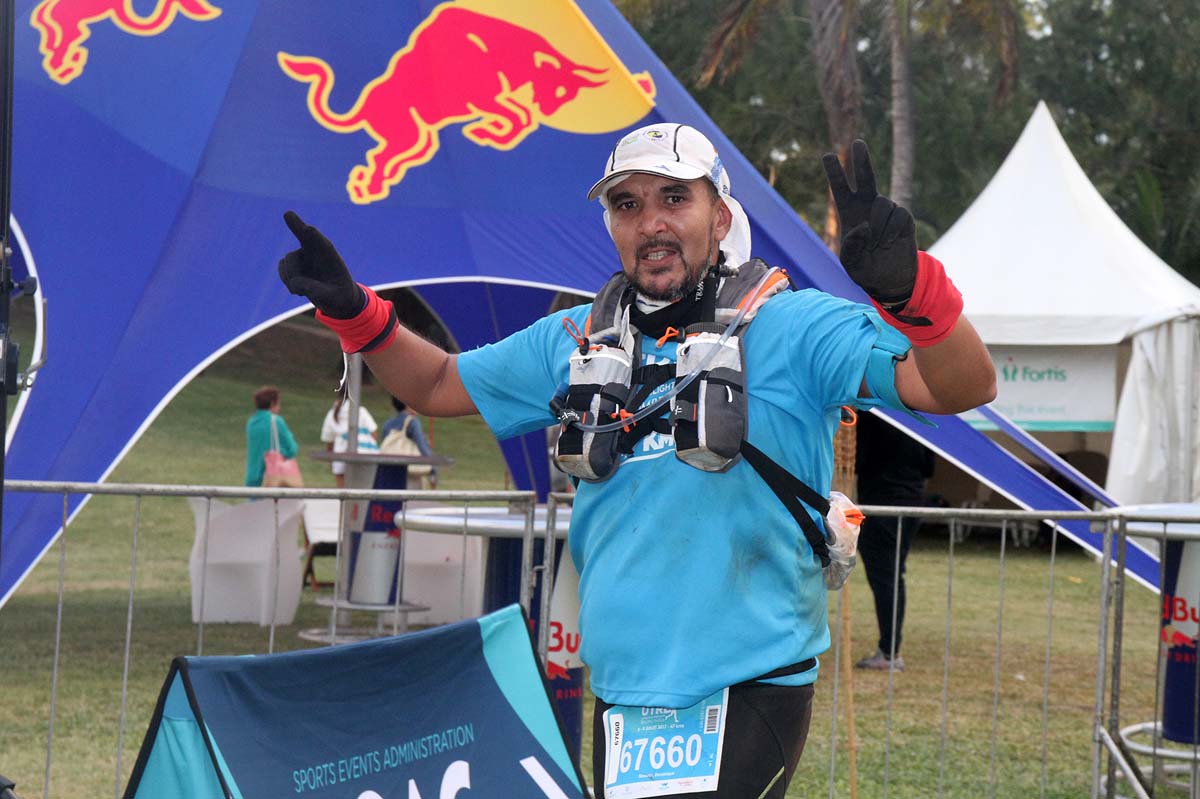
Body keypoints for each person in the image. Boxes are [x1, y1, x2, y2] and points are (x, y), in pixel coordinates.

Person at [277, 123, 996, 798]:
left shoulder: (792, 327)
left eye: (674, 198)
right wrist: (357, 313)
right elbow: (436, 383)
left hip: (750, 683)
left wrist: (912, 293)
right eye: (627, 204)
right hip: (622, 694)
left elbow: (957, 384)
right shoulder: (573, 340)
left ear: (719, 218)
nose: (650, 222)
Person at [853, 409, 935, 671]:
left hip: (882, 502)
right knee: (893, 576)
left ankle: (889, 652)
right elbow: (930, 467)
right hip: (912, 502)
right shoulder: (921, 416)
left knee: (886, 578)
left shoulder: (873, 415)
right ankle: (889, 648)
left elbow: (860, 460)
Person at [320, 386, 379, 488]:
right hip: (364, 456)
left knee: (343, 493)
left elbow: (329, 441)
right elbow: (374, 434)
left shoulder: (333, 413)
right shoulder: (361, 411)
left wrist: (331, 460)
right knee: (361, 490)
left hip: (340, 456)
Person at [379, 395, 438, 487]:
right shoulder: (412, 422)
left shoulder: (388, 424)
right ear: (408, 404)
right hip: (408, 472)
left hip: (389, 470)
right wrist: (433, 470)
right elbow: (422, 447)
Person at [244, 386, 298, 487]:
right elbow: (292, 449)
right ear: (272, 403)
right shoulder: (276, 421)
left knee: (253, 503)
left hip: (253, 477)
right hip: (273, 478)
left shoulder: (251, 422)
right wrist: (282, 452)